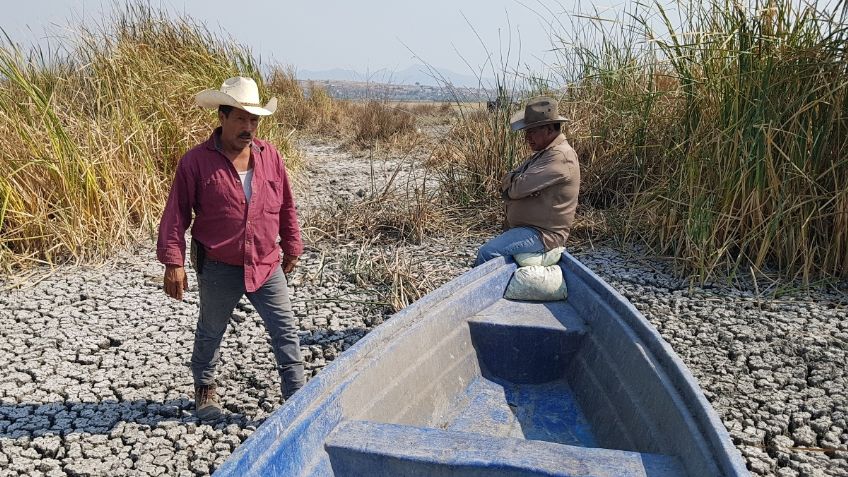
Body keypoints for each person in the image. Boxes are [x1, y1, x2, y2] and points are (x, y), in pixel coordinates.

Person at [157, 76, 305, 420]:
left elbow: (286, 206)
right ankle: (205, 390)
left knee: (285, 330)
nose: (248, 127)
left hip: (266, 263)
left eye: (253, 120)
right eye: (240, 118)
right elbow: (176, 213)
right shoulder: (195, 162)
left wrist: (293, 245)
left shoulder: (271, 157)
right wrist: (173, 262)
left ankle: (297, 398)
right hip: (219, 266)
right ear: (222, 117)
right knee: (211, 329)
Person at [475, 96, 580, 266]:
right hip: (529, 230)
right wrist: (517, 182)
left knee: (487, 252)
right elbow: (511, 180)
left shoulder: (559, 156)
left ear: (548, 129)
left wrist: (517, 183)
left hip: (543, 234)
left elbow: (515, 189)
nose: (527, 138)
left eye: (531, 131)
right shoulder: (545, 152)